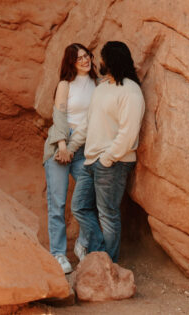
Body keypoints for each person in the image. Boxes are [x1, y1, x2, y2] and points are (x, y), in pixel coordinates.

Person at [69, 40, 144, 263]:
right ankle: (100, 254)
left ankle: (108, 263)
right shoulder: (102, 88)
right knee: (80, 207)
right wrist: (72, 147)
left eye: (101, 57)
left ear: (110, 60)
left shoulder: (131, 91)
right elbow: (88, 122)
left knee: (108, 214)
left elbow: (128, 132)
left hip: (113, 162)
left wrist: (108, 159)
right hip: (91, 161)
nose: (98, 61)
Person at [42, 43, 98, 274]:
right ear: (71, 63)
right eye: (79, 59)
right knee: (57, 203)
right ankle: (58, 254)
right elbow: (59, 116)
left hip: (84, 146)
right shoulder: (65, 85)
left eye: (86, 56)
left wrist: (74, 147)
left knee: (90, 194)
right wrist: (63, 146)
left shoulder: (97, 84)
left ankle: (83, 244)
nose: (85, 61)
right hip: (60, 144)